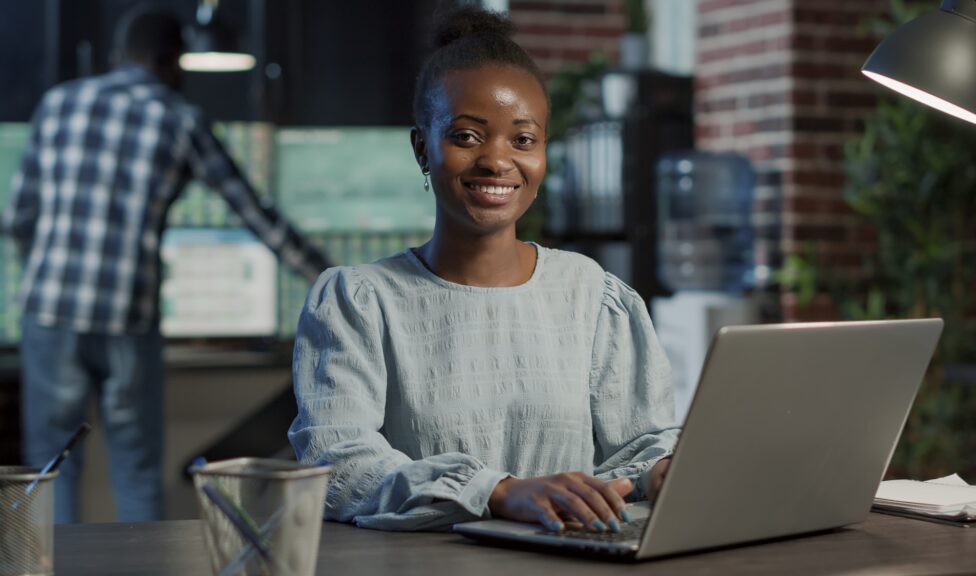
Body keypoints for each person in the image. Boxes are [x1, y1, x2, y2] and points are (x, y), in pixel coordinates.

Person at [288, 6, 677, 533]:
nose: (497, 161)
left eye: (523, 140)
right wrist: (496, 492)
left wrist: (662, 473)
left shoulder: (592, 294)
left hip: (570, 564)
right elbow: (337, 467)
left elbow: (640, 448)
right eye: (467, 137)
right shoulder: (359, 301)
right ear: (422, 147)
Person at [3, 8, 331, 523]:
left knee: (53, 468)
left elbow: (20, 216)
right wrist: (333, 279)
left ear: (116, 58)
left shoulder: (59, 103)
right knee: (135, 472)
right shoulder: (180, 119)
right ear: (173, 64)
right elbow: (257, 217)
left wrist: (41, 272)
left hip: (49, 313)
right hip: (126, 319)